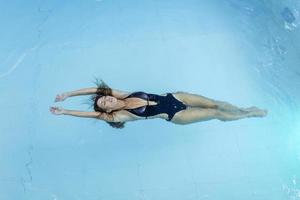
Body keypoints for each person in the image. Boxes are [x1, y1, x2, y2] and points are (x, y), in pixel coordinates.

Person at [50, 80, 267, 128]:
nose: (108, 98)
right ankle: (247, 115)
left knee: (215, 104)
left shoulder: (121, 93)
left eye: (106, 96)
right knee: (215, 114)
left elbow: (94, 90)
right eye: (106, 102)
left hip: (177, 97)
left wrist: (68, 93)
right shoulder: (119, 115)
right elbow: (90, 115)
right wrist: (65, 111)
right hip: (177, 116)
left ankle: (243, 108)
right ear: (108, 110)